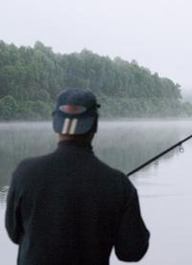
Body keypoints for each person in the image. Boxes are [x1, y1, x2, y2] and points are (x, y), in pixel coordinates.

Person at [5, 89, 150, 265]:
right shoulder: (118, 184)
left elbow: (14, 234)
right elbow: (131, 252)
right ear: (94, 124)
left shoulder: (24, 173)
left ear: (56, 123)